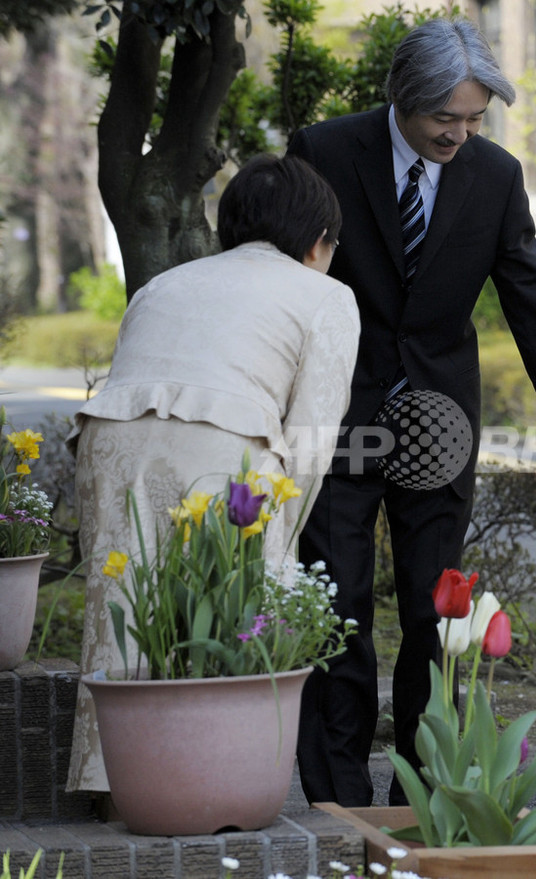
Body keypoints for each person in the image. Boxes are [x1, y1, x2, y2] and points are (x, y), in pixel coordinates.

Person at [286, 18, 536, 808]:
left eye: (475, 120)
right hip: (340, 413)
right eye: (445, 120)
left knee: (438, 610)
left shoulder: (495, 175)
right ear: (401, 99)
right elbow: (288, 282)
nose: (460, 135)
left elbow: (532, 297)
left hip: (438, 424)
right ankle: (338, 793)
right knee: (340, 601)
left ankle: (420, 790)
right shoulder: (324, 152)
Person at [65, 154, 360, 796]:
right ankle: (217, 789)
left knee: (124, 607)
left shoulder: (165, 283)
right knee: (235, 613)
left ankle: (118, 789)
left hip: (107, 439)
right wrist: (283, 545)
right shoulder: (327, 296)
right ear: (319, 241)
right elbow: (310, 443)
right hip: (226, 444)